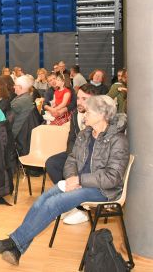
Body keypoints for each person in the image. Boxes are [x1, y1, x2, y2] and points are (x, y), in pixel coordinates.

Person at [0, 95, 128, 266]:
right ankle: (16, 249)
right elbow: (71, 159)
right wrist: (71, 177)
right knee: (42, 200)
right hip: (79, 182)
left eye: (89, 112)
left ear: (102, 114)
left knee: (53, 204)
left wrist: (80, 179)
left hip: (102, 190)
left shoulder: (118, 140)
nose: (84, 115)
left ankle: (14, 242)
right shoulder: (86, 134)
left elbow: (112, 177)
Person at [44, 84, 100, 225]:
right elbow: (71, 139)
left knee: (78, 169)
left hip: (94, 158)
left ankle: (80, 207)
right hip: (77, 153)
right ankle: (72, 205)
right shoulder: (75, 114)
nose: (79, 102)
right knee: (52, 163)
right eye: (79, 98)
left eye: (84, 99)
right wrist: (72, 157)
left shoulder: (100, 117)